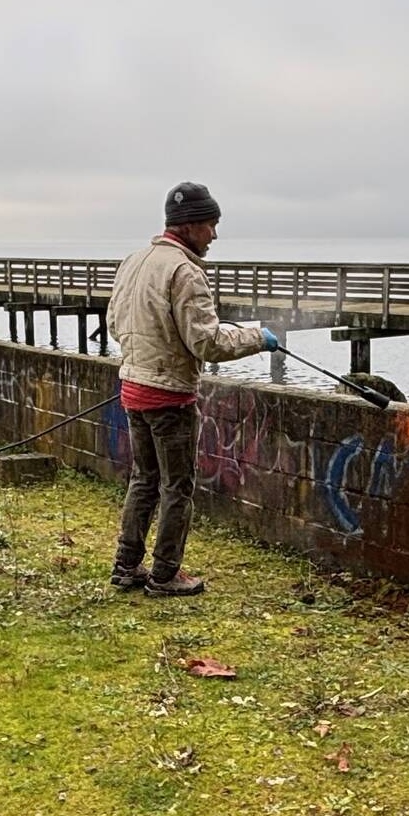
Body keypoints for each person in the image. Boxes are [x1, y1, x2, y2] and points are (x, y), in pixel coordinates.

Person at [105, 182, 279, 597]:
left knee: (143, 480)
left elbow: (115, 323)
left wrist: (149, 352)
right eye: (211, 226)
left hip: (133, 388)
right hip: (169, 397)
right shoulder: (185, 271)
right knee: (177, 486)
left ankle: (126, 566)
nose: (214, 236)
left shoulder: (134, 260)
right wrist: (257, 337)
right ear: (189, 226)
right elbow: (207, 342)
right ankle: (165, 575)